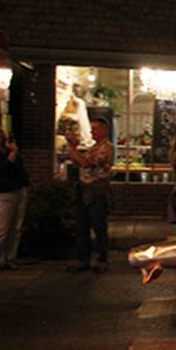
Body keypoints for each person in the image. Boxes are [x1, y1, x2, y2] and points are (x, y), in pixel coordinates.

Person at [66, 116, 113, 272]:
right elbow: (78, 161)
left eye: (95, 129)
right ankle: (82, 259)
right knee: (82, 226)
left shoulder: (106, 148)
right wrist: (73, 148)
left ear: (104, 130)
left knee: (99, 226)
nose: (92, 132)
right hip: (84, 189)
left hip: (97, 191)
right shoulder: (93, 147)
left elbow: (87, 163)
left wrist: (74, 149)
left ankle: (102, 259)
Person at [0, 125, 30, 272]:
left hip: (18, 190)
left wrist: (14, 151)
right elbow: (4, 168)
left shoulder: (8, 149)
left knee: (15, 227)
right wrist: (13, 152)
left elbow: (19, 166)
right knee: (1, 226)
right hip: (3, 193)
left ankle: (9, 257)